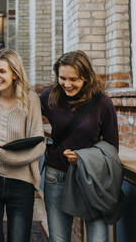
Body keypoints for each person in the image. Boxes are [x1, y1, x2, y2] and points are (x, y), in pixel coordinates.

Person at [40, 50, 119, 242]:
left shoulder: (102, 103)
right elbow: (21, 109)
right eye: (62, 78)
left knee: (98, 237)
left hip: (91, 176)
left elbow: (112, 148)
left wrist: (83, 157)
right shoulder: (49, 96)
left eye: (73, 79)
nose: (67, 84)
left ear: (86, 77)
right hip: (56, 174)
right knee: (59, 238)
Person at [0, 49, 45, 242]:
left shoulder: (30, 99)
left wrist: (8, 157)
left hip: (21, 181)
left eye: (2, 71)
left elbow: (39, 145)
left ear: (14, 73)